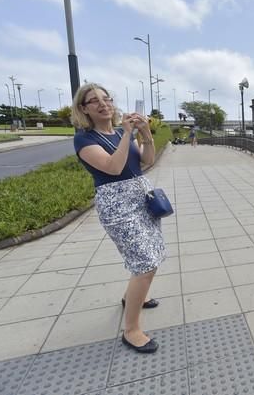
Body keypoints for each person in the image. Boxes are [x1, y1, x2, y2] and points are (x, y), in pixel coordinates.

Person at [71, 83, 165, 354]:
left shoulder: (118, 133)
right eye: (94, 100)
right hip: (117, 207)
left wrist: (145, 133)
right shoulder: (85, 139)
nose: (103, 104)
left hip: (142, 199)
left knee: (151, 256)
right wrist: (127, 133)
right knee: (145, 263)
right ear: (83, 109)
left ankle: (131, 298)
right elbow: (113, 168)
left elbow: (146, 161)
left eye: (106, 98)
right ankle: (131, 330)